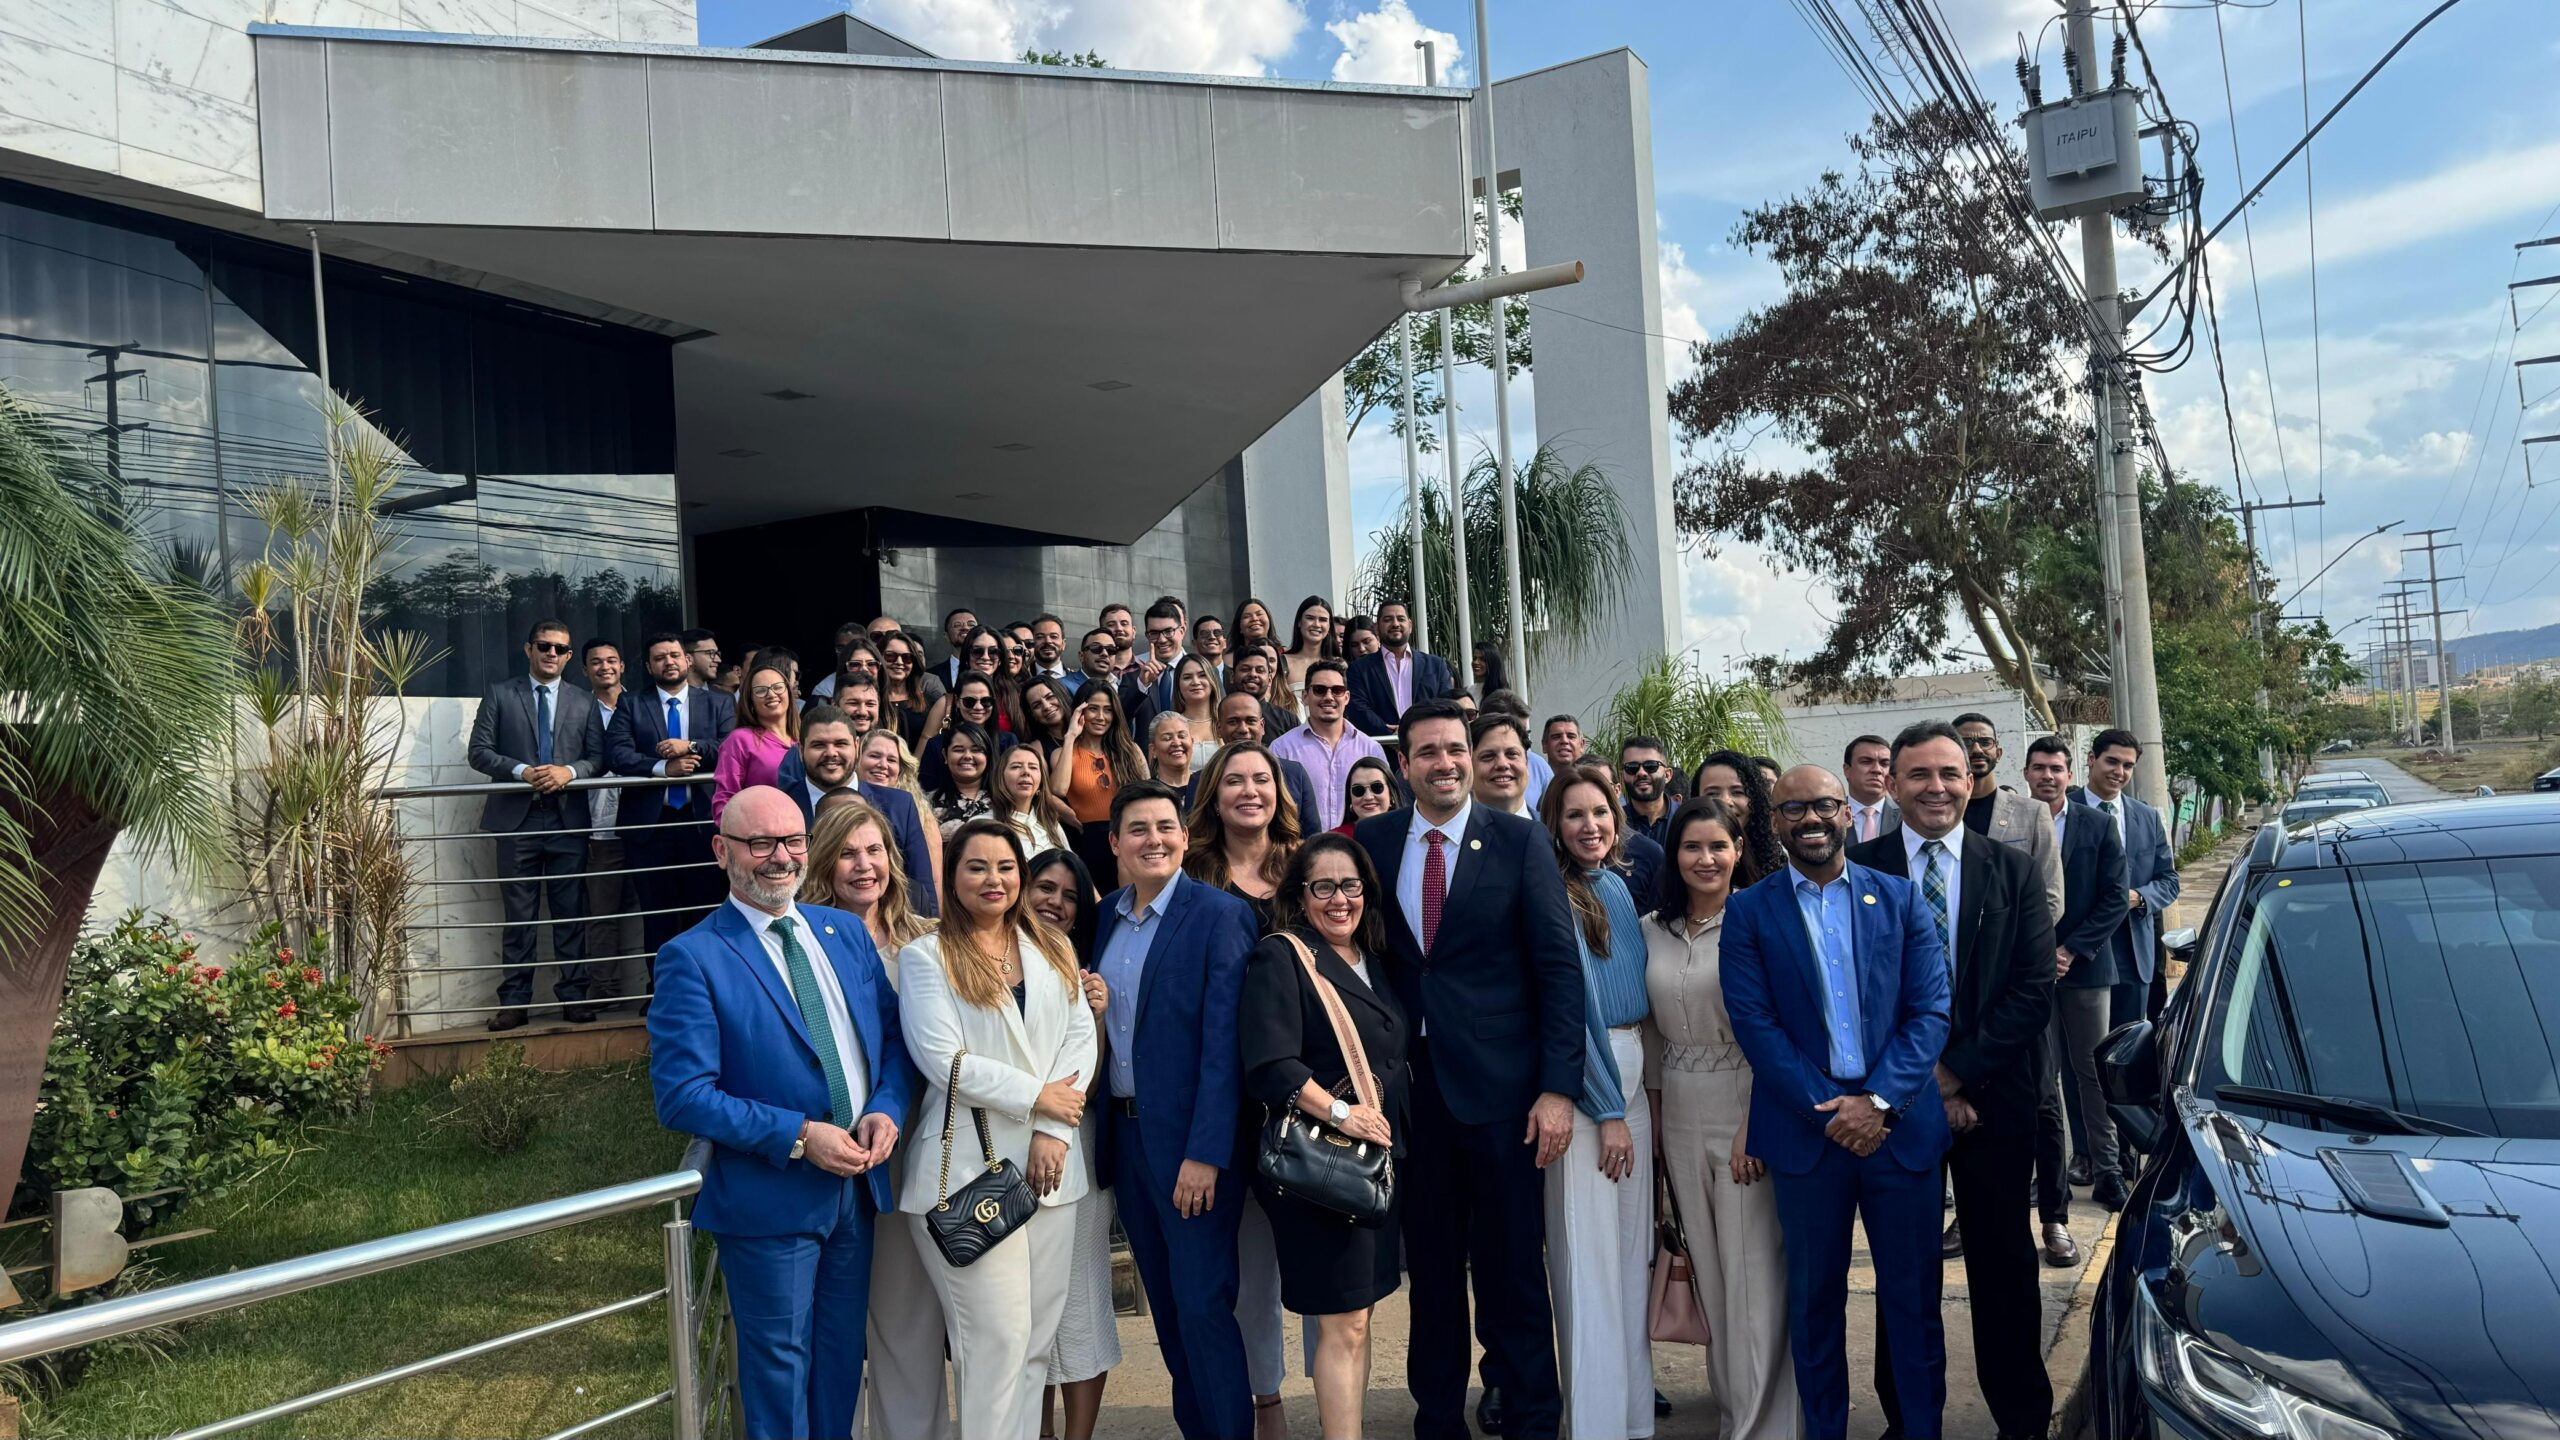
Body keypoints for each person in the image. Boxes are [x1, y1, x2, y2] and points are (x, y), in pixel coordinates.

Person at [647, 785, 917, 1440]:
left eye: (793, 840)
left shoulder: (843, 933)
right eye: (760, 843)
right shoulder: (693, 957)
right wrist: (798, 1135)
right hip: (770, 1202)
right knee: (778, 1382)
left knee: (838, 1368)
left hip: (856, 1193)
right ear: (722, 851)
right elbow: (683, 1095)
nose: (780, 857)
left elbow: (893, 1042)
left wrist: (886, 1108)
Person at [1351, 700, 1583, 1440]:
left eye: (1455, 749)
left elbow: (1558, 969)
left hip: (1504, 1096)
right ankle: (1438, 1420)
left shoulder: (1519, 840)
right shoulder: (1372, 842)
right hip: (1409, 1099)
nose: (1444, 763)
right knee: (1433, 1278)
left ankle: (1533, 1419)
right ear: (1404, 764)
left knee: (1514, 1272)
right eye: (1427, 752)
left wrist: (1558, 1089)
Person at [1719, 764, 1950, 1440]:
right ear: (1775, 823)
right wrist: (1834, 1110)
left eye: (1823, 805)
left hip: (1898, 1135)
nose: (1811, 820)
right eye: (1793, 809)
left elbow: (1930, 1011)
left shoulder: (1900, 898)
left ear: (1847, 812)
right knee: (1814, 1307)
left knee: (1914, 1305)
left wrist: (1876, 1103)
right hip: (1807, 1137)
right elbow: (1755, 1025)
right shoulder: (1749, 910)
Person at [1847, 723, 2054, 1440]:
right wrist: (1916, 1081)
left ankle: (2022, 1420)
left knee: (2005, 1267)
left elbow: (2032, 990)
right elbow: (1850, 993)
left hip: (1995, 1100)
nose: (1936, 788)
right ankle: (1908, 1419)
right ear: (1892, 783)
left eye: (1949, 774)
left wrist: (1956, 1074)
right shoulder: (1857, 867)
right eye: (1919, 775)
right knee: (1904, 1271)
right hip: (1892, 1106)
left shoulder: (2013, 869)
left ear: (1971, 780)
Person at [895, 821, 1096, 1440]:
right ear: (952, 877)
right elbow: (945, 1061)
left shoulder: (1051, 947)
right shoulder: (926, 956)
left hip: (1052, 1169)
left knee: (1035, 1342)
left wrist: (1053, 1127)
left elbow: (1080, 1039)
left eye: (1006, 867)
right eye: (976, 867)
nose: (994, 879)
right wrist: (1038, 1096)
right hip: (968, 1175)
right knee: (994, 1345)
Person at [1093, 782, 1261, 1440]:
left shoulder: (1220, 916)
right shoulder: (1105, 917)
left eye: (1165, 827)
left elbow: (1225, 1046)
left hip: (1192, 1149)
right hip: (1127, 1140)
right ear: (1115, 842)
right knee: (1167, 1312)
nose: (1153, 840)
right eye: (1137, 829)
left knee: (1202, 1308)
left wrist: (1206, 1153)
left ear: (1185, 838)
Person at [1239, 834, 1411, 1440]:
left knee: (1358, 1320)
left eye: (1351, 885)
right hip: (1325, 1171)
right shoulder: (1282, 957)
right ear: (1300, 895)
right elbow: (1270, 1064)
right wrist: (1341, 1113)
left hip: (1373, 1165)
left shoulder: (1373, 958)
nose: (1340, 899)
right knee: (1343, 1323)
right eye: (1324, 887)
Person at [1641, 800, 1796, 1440]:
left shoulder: (1759, 920)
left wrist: (1754, 1126)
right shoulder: (1652, 928)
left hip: (1745, 1101)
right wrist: (1654, 1126)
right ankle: (1736, 1412)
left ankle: (1767, 1426)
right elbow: (1650, 1034)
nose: (1705, 859)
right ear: (1673, 854)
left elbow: (1777, 1030)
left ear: (1738, 851)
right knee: (1709, 1272)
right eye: (1691, 847)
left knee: (1752, 1275)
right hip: (1677, 1105)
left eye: (1717, 847)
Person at [798, 799, 950, 1440]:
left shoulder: (930, 938)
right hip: (830, 1152)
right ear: (822, 863)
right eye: (847, 853)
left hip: (913, 1144)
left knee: (908, 1316)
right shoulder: (798, 941)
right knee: (835, 1328)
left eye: (875, 851)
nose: (864, 866)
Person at [1535, 773, 1656, 1440]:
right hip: (1591, 1089)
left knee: (1632, 1263)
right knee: (1588, 1266)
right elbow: (1572, 1009)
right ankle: (1595, 1427)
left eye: (1600, 812)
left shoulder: (1614, 885)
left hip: (1633, 1077)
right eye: (1574, 815)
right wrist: (1608, 1108)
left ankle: (1633, 1421)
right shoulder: (1554, 892)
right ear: (1554, 824)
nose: (1591, 826)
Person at [1026, 849, 1122, 1440]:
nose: (1055, 903)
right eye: (1045, 887)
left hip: (1076, 1144)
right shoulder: (985, 958)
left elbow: (1093, 1076)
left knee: (1082, 1298)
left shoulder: (1086, 974)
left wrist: (1100, 1017)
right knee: (1023, 1306)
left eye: (1068, 895)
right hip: (1003, 1145)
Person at [469, 619, 606, 1031]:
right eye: (544, 646)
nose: (552, 654)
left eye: (560, 649)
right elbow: (479, 752)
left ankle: (574, 997)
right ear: (529, 649)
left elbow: (598, 758)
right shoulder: (500, 694)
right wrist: (522, 771)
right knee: (519, 916)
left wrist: (569, 771)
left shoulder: (584, 701)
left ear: (569, 656)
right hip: (518, 820)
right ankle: (514, 1003)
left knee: (571, 913)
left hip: (567, 820)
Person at [2022, 735, 2129, 1244]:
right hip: (2027, 972)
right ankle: (2049, 1176)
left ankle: (2107, 1170)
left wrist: (2071, 950)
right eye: (2039, 767)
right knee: (2040, 1079)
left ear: (2070, 774)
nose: (2048, 776)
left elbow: (2114, 898)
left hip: (2084, 968)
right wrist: (2038, 953)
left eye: (2056, 769)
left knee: (2092, 1073)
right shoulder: (2012, 824)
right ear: (2026, 773)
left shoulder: (2098, 824)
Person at [2069, 729, 2176, 1141]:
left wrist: (2139, 896)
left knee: (2127, 1058)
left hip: (2133, 953)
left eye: (2128, 766)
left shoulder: (2146, 817)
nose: (2119, 771)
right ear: (2091, 759)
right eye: (2112, 761)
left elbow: (2168, 880)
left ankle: (2129, 1149)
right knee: (2082, 1062)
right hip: (2080, 956)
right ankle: (2086, 1151)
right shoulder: (2063, 809)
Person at [607, 631, 737, 961]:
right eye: (660, 658)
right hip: (651, 829)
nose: (669, 662)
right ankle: (660, 987)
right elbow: (616, 754)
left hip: (703, 826)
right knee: (657, 918)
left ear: (687, 660)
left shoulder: (719, 702)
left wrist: (690, 747)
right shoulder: (632, 703)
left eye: (674, 655)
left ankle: (705, 985)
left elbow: (729, 747)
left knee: (705, 915)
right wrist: (663, 768)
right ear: (649, 667)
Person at [774, 704, 941, 918]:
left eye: (840, 744)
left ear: (856, 746)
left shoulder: (899, 805)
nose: (831, 753)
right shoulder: (780, 806)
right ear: (801, 750)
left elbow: (921, 887)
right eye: (818, 745)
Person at [1948, 713, 2064, 923]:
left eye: (1985, 742)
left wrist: (2021, 939)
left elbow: (2051, 896)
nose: (1977, 749)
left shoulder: (2033, 812)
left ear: (1998, 753)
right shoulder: (1937, 811)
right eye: (1966, 743)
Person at [578, 638, 637, 1001]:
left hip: (645, 823)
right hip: (599, 827)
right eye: (596, 662)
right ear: (585, 670)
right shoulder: (578, 710)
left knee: (659, 908)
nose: (605, 667)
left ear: (622, 666)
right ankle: (604, 991)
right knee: (601, 913)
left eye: (612, 660)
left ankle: (660, 986)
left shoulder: (642, 706)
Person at [1270, 658, 1388, 833]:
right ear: (1304, 696)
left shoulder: (1370, 749)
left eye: (1337, 690)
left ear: (1346, 697)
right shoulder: (1282, 749)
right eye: (1319, 690)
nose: (1328, 697)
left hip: (1359, 844)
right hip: (1301, 845)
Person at [1050, 681, 1149, 889]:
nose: (1101, 717)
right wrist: (1070, 736)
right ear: (1080, 711)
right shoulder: (1063, 753)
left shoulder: (1130, 750)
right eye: (1093, 709)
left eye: (1108, 710)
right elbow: (1058, 789)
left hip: (1129, 838)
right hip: (1089, 844)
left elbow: (1148, 797)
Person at [1218, 690, 1323, 833]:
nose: (1243, 729)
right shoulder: (1202, 780)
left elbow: (1312, 836)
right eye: (1233, 722)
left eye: (1251, 721)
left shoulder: (1294, 774)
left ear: (1262, 726)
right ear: (1219, 728)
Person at [1345, 599, 1453, 735]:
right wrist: (1389, 732)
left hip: (1428, 740)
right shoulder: (1359, 669)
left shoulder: (1436, 666)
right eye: (1388, 620)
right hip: (1381, 744)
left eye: (1401, 619)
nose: (1395, 624)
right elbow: (1358, 708)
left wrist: (1416, 732)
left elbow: (1445, 705)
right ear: (1377, 628)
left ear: (1410, 625)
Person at [713, 662, 802, 822]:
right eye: (761, 690)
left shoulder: (805, 738)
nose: (771, 694)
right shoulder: (739, 740)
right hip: (762, 831)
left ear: (789, 692)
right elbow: (724, 802)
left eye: (778, 687)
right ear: (751, 702)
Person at [1692, 749, 1786, 880]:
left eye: (1737, 792)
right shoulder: (1683, 860)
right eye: (1712, 794)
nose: (1725, 801)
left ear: (1756, 799)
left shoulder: (1779, 865)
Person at [994, 743, 1078, 858]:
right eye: (1016, 767)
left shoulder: (1050, 823)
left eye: (1033, 767)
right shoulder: (986, 822)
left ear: (1041, 783)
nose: (1026, 772)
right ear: (1000, 777)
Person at [928, 722, 998, 834]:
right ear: (945, 755)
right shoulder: (926, 805)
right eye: (959, 750)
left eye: (976, 750)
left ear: (988, 756)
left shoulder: (1004, 800)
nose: (967, 756)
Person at [879, 632, 943, 749]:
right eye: (890, 656)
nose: (899, 662)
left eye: (906, 658)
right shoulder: (869, 702)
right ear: (879, 658)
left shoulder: (929, 702)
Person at [1470, 712, 1537, 816]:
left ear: (1526, 763)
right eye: (1488, 756)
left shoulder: (1552, 825)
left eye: (1512, 754)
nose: (1502, 764)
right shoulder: (1453, 827)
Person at [1226, 642, 1298, 738]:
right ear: (1232, 676)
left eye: (1260, 670)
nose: (1253, 674)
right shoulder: (1221, 714)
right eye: (1245, 669)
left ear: (1269, 679)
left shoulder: (1287, 720)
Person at [1617, 737, 1676, 850]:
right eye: (1632, 767)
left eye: (1651, 766)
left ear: (1667, 775)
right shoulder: (1614, 824)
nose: (1641, 773)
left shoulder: (1686, 820)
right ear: (1622, 776)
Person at [1841, 734, 1898, 843]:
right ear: (1847, 770)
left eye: (1885, 764)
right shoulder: (1830, 815)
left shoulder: (1908, 817)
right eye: (1866, 762)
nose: (1877, 770)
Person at [1169, 655, 1224, 767]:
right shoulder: (1170, 725)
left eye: (1202, 675)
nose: (1195, 682)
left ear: (1212, 680)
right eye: (1187, 677)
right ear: (1178, 685)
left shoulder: (1227, 723)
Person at [1334, 755, 1401, 836]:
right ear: (1350, 798)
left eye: (1377, 787)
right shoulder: (1334, 839)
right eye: (1358, 789)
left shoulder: (1409, 835)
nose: (1368, 797)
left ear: (1391, 793)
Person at [1149, 712, 1201, 803]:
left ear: (1192, 743)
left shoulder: (1207, 787)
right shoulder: (1146, 793)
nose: (1177, 743)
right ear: (1153, 750)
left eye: (1182, 736)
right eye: (1167, 738)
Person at [931, 607, 980, 690]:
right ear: (946, 636)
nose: (965, 628)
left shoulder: (991, 668)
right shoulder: (932, 674)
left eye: (971, 625)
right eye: (957, 625)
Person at [1029, 614, 1072, 683]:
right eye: (1040, 637)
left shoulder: (1077, 683)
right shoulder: (1020, 680)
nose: (1048, 641)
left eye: (1054, 636)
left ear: (1063, 644)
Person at [1191, 613, 1229, 678]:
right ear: (1195, 644)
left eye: (1217, 632)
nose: (1212, 637)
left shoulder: (1235, 675)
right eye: (1204, 633)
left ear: (1225, 643)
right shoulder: (1189, 676)